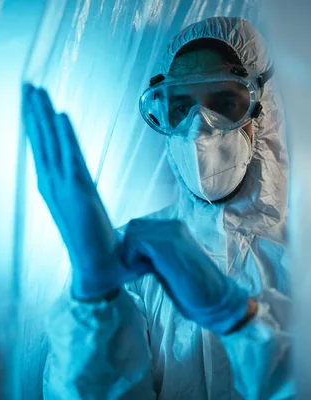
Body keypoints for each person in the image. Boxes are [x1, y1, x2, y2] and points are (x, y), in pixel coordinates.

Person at [23, 17, 294, 399]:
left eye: (225, 103)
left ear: (261, 112)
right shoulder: (130, 257)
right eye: (181, 107)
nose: (198, 128)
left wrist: (242, 319)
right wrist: (96, 306)